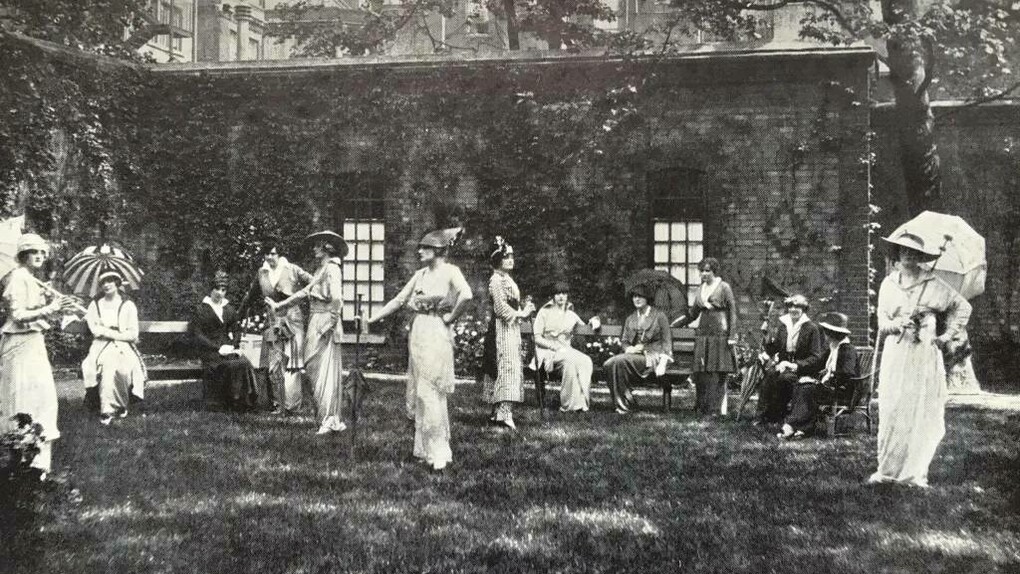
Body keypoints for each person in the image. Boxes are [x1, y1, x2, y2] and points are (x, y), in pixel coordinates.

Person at [869, 231, 971, 488]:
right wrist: (896, 324)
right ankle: (888, 469)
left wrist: (946, 335)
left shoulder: (933, 283)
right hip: (897, 351)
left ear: (921, 257)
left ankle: (914, 471)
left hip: (923, 351)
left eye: (914, 253)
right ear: (896, 254)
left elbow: (962, 307)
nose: (908, 257)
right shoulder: (888, 285)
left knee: (919, 407)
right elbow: (882, 323)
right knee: (893, 407)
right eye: (904, 252)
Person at [366, 227, 473, 470]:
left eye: (425, 248)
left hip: (436, 332)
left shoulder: (450, 271)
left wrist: (450, 318)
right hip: (419, 332)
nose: (420, 251)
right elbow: (399, 300)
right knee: (420, 390)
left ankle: (438, 452)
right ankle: (423, 448)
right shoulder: (420, 274)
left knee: (430, 390)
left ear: (437, 250)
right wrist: (373, 320)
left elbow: (466, 295)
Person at [0, 233, 76, 478]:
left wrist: (59, 309)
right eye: (35, 252)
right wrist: (51, 307)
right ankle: (22, 462)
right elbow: (18, 316)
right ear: (23, 255)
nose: (40, 257)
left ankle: (38, 465)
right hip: (19, 345)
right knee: (23, 397)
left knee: (42, 398)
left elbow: (38, 316)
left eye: (43, 253)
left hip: (34, 343)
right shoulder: (17, 279)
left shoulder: (32, 280)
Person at [268, 230, 349, 435]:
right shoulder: (321, 268)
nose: (313, 249)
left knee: (324, 370)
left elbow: (337, 299)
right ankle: (326, 417)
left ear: (325, 248)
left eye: (316, 246)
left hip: (324, 322)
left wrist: (328, 325)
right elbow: (304, 292)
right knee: (313, 368)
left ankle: (330, 420)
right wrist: (280, 305)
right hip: (315, 319)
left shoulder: (333, 269)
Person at [239, 242, 312, 414]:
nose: (270, 257)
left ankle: (292, 406)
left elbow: (314, 283)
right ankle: (278, 404)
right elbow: (250, 296)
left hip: (292, 321)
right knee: (275, 362)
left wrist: (299, 297)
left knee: (292, 361)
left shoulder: (292, 269)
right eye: (267, 254)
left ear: (279, 255)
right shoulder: (261, 273)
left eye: (273, 253)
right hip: (272, 322)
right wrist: (238, 315)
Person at [778, 312, 860, 439]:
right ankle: (803, 428)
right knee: (801, 384)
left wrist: (821, 383)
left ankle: (792, 426)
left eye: (827, 332)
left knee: (808, 388)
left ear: (833, 333)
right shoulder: (833, 347)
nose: (825, 336)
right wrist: (795, 367)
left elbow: (846, 374)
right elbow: (817, 365)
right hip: (832, 387)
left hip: (844, 391)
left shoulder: (846, 350)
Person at [672, 258, 737, 417]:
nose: (704, 274)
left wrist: (731, 335)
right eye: (701, 271)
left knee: (716, 371)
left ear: (714, 271)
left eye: (707, 270)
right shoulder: (700, 289)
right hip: (703, 334)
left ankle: (715, 409)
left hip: (719, 333)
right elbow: (693, 313)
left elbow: (732, 311)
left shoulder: (724, 287)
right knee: (702, 372)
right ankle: (701, 407)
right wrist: (676, 323)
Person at [481, 236, 535, 430]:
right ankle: (503, 412)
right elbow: (501, 309)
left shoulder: (507, 279)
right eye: (506, 256)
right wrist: (523, 313)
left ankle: (501, 412)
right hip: (502, 330)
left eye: (512, 256)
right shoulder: (496, 280)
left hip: (511, 329)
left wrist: (524, 308)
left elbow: (511, 304)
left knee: (511, 365)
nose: (511, 260)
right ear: (497, 260)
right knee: (506, 366)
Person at [81, 270, 147, 425]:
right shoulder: (95, 304)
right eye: (103, 282)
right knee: (108, 364)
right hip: (101, 346)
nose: (106, 285)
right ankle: (107, 410)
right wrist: (110, 332)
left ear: (117, 283)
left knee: (124, 368)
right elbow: (95, 330)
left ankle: (121, 406)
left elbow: (132, 334)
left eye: (110, 281)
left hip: (123, 345)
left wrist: (108, 332)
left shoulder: (128, 304)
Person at [189, 271, 259, 411]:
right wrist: (216, 348)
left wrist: (233, 346)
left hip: (227, 348)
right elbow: (197, 334)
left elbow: (236, 330)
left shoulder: (229, 309)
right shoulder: (201, 309)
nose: (220, 293)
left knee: (243, 362)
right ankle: (224, 401)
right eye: (217, 289)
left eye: (223, 290)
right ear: (211, 289)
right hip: (209, 350)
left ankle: (243, 401)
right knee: (227, 364)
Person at [603, 284, 672, 414]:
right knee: (608, 365)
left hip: (653, 356)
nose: (637, 299)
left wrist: (663, 363)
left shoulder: (659, 316)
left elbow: (667, 342)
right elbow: (624, 341)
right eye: (634, 296)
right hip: (634, 357)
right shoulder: (631, 318)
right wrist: (629, 348)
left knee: (618, 362)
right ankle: (627, 399)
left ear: (648, 299)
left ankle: (623, 404)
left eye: (640, 296)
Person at [756, 294, 826, 425]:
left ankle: (781, 415)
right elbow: (775, 348)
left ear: (804, 309)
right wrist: (766, 337)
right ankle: (763, 416)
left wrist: (794, 365)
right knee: (770, 375)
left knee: (784, 379)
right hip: (783, 366)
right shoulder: (784, 325)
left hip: (803, 370)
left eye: (797, 307)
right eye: (791, 306)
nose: (793, 309)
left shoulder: (811, 328)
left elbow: (815, 357)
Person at [533, 281, 598, 412]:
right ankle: (568, 405)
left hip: (566, 351)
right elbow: (537, 338)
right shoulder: (544, 312)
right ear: (553, 296)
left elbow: (585, 324)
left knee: (586, 360)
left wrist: (594, 320)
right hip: (547, 352)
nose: (561, 297)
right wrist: (554, 347)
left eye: (564, 293)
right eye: (558, 294)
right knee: (570, 360)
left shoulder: (571, 314)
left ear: (567, 296)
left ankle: (583, 402)